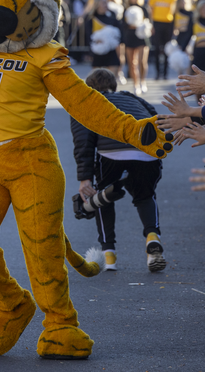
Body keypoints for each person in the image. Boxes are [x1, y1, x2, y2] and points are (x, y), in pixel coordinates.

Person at [70, 68, 165, 272]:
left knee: (103, 197)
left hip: (112, 153)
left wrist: (85, 178)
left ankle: (109, 255)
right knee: (145, 196)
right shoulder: (131, 97)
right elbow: (155, 119)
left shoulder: (87, 103)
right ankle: (152, 237)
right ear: (114, 86)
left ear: (89, 88)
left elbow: (83, 142)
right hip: (147, 151)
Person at [148, 0, 178, 79]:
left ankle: (165, 73)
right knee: (156, 48)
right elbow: (151, 12)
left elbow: (174, 13)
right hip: (157, 23)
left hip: (168, 24)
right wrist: (151, 25)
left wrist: (175, 28)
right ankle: (157, 73)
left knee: (166, 49)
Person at [123, 0, 150, 95]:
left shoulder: (144, 9)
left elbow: (149, 23)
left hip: (142, 37)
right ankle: (136, 84)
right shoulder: (126, 9)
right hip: (130, 36)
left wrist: (141, 26)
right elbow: (124, 24)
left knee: (142, 61)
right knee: (132, 63)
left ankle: (143, 81)